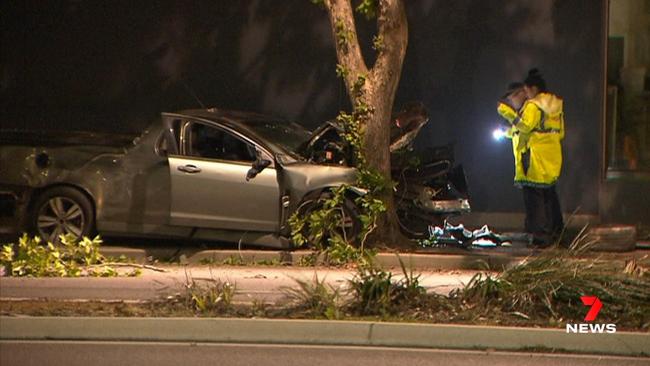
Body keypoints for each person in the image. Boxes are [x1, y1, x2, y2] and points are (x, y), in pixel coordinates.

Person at [497, 69, 565, 246]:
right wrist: (511, 132)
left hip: (534, 159)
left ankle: (539, 236)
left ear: (533, 89)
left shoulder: (534, 105)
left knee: (534, 200)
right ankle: (556, 233)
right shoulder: (555, 106)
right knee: (549, 196)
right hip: (551, 157)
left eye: (526, 91)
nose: (525, 95)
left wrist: (508, 113)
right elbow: (559, 132)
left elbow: (526, 126)